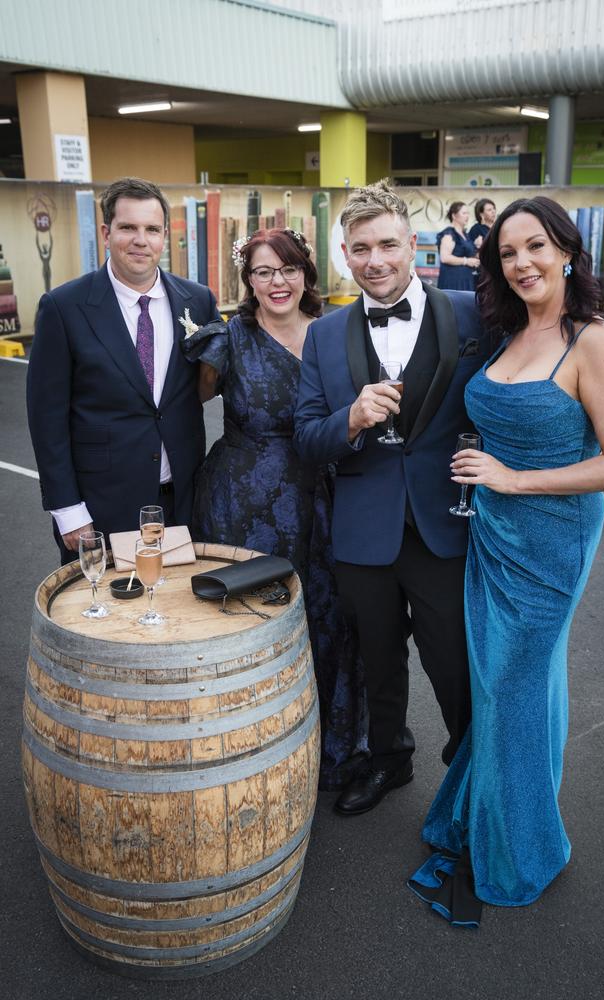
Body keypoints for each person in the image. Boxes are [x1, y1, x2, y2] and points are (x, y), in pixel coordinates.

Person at [409, 196, 604, 926]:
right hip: (492, 535)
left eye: (536, 247)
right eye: (507, 253)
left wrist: (512, 479)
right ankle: (484, 816)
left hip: (552, 540)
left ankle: (525, 850)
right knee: (503, 688)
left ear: (568, 251)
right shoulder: (507, 331)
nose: (522, 263)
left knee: (513, 689)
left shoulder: (593, 339)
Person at [293, 180, 489, 816]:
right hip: (363, 532)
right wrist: (350, 419)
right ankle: (389, 762)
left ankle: (470, 777)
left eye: (386, 245)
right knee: (378, 662)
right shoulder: (323, 336)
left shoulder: (473, 314)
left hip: (444, 526)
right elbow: (305, 439)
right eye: (360, 248)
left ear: (413, 247)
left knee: (455, 665)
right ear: (345, 256)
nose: (374, 259)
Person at [182, 227, 368, 790]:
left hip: (326, 500)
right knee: (249, 626)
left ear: (307, 274)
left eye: (287, 269)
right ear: (248, 281)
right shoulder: (229, 339)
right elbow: (181, 403)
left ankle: (330, 750)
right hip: (242, 505)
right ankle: (245, 751)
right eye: (262, 272)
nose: (276, 282)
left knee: (330, 621)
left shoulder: (337, 332)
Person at [26, 176, 220, 564]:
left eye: (152, 229)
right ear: (105, 231)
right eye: (128, 227)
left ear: (165, 235)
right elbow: (46, 419)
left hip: (182, 499)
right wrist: (68, 511)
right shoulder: (64, 308)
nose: (140, 240)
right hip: (102, 508)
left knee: (180, 613)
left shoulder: (197, 301)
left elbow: (212, 377)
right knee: (107, 616)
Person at [436, 202, 481, 291]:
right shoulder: (449, 233)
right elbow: (444, 258)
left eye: (468, 213)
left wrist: (478, 245)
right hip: (453, 281)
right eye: (464, 213)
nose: (467, 216)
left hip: (466, 280)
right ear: (454, 216)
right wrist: (466, 261)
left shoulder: (465, 235)